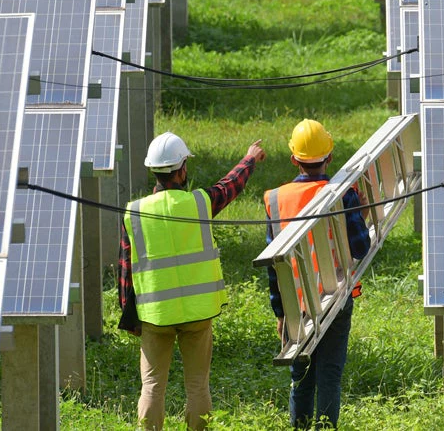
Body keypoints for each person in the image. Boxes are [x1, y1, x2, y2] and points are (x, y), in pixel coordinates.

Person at [118, 131, 266, 431]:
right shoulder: (199, 203)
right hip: (198, 313)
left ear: (153, 170)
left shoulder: (134, 212)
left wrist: (131, 318)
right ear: (182, 169)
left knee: (151, 386)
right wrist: (249, 159)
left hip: (155, 315)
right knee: (198, 385)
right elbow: (229, 187)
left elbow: (125, 271)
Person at [265, 119, 370, 429]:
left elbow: (274, 264)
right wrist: (361, 216)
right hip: (335, 298)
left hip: (295, 304)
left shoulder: (275, 199)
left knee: (301, 375)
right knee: (329, 374)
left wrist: (280, 311)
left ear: (294, 159)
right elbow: (360, 247)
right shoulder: (343, 194)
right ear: (330, 157)